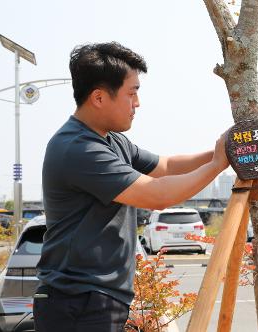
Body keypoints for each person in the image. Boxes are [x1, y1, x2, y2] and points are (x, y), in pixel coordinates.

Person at [33, 42, 229, 332]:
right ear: (99, 97)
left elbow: (168, 166)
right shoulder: (79, 148)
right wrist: (217, 165)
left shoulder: (112, 141)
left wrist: (221, 153)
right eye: (132, 92)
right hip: (77, 302)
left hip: (96, 299)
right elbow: (158, 194)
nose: (137, 103)